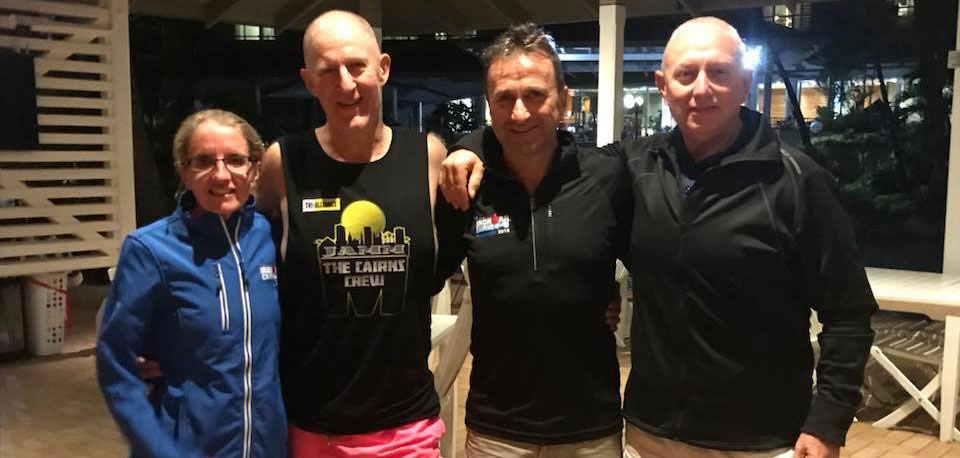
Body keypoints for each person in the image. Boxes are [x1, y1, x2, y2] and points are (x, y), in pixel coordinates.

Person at [443, 16, 876, 458]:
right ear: (663, 85)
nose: (701, 89)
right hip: (652, 434)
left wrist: (827, 423)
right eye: (686, 74)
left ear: (745, 83)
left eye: (719, 72)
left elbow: (849, 312)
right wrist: (469, 146)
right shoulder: (635, 165)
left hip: (760, 439)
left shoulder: (795, 179)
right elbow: (530, 141)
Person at [254, 10, 451, 458]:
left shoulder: (428, 157)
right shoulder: (282, 164)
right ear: (309, 81)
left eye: (357, 66)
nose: (346, 84)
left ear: (383, 68)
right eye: (328, 70)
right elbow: (233, 253)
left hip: (407, 429)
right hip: (310, 427)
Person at [438, 24, 631, 457]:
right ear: (489, 105)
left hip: (590, 429)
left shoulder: (606, 177)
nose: (520, 113)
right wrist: (465, 146)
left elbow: (660, 263)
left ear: (564, 100)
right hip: (496, 430)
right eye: (505, 98)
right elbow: (419, 282)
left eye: (535, 95)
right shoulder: (467, 187)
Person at [97, 109, 286, 458]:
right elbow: (116, 362)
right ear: (184, 172)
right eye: (203, 161)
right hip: (185, 447)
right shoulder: (150, 249)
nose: (221, 175)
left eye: (235, 159)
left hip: (266, 446)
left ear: (255, 168)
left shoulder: (268, 236)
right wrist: (158, 449)